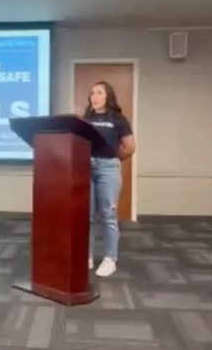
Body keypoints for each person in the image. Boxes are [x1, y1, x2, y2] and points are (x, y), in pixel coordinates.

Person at [84, 81, 136, 277]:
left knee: (108, 214)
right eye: (92, 93)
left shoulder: (117, 119)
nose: (94, 97)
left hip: (108, 168)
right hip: (86, 167)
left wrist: (113, 158)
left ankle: (110, 259)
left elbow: (130, 147)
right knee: (87, 216)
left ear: (108, 97)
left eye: (99, 93)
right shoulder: (86, 119)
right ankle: (87, 256)